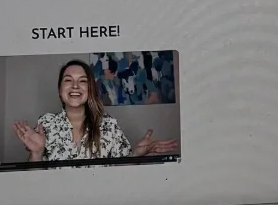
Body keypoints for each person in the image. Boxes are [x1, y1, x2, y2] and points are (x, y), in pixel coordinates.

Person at [13, 59, 178, 163]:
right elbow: (34, 183)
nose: (75, 86)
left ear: (90, 89)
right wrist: (36, 153)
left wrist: (136, 154)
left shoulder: (109, 126)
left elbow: (121, 174)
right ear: (59, 90)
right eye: (68, 80)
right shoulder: (45, 123)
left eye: (82, 81)